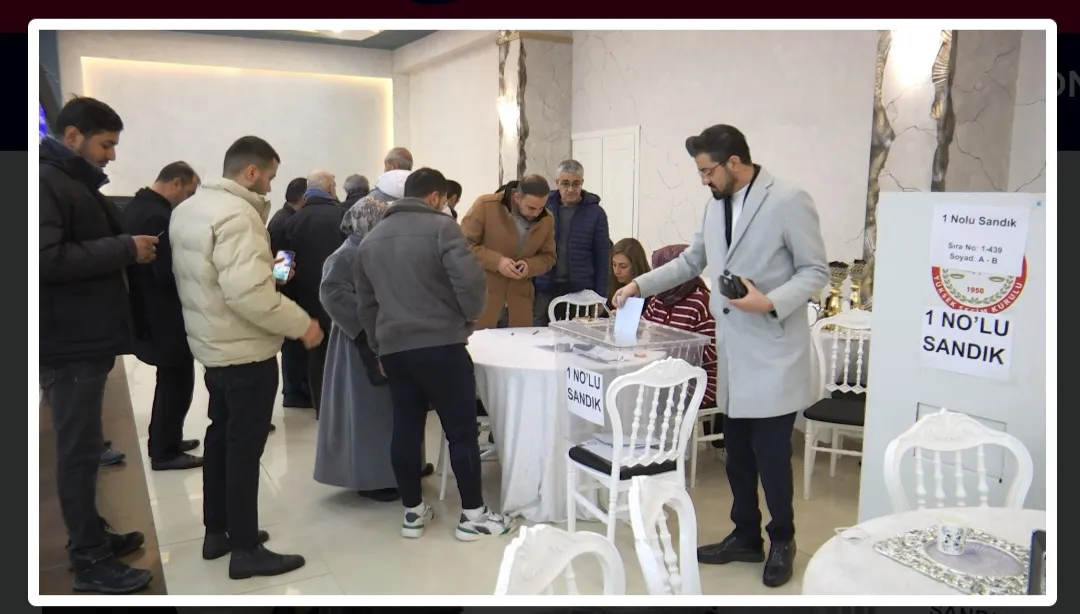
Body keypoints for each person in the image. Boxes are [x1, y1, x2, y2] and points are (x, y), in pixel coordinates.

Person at [613, 124, 828, 588]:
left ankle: (783, 539)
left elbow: (815, 271)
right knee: (737, 455)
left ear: (734, 162)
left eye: (708, 171)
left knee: (772, 457)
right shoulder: (715, 204)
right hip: (732, 352)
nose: (703, 180)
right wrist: (638, 285)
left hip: (772, 351)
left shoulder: (789, 200)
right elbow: (691, 261)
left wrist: (770, 302)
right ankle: (745, 535)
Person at [170, 135, 324, 579]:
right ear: (251, 171)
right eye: (270, 177)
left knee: (221, 438)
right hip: (244, 350)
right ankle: (245, 550)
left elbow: (216, 280)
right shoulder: (238, 215)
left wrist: (266, 273)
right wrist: (302, 324)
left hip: (214, 343)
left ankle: (217, 532)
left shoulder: (190, 209)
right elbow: (249, 296)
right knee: (243, 448)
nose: (271, 187)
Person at [355, 168, 516, 541]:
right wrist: (467, 317)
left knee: (406, 429)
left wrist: (379, 347)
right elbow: (470, 283)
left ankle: (412, 512)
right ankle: (473, 515)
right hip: (442, 345)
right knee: (461, 431)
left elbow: (366, 304)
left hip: (395, 349)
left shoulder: (371, 240)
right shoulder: (444, 229)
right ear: (434, 197)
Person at [39, 95, 155, 594]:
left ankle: (91, 533)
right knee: (78, 451)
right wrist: (125, 247)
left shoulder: (69, 181)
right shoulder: (46, 182)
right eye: (106, 145)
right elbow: (45, 259)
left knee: (87, 448)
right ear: (73, 136)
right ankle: (88, 558)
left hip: (83, 336)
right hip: (69, 341)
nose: (111, 156)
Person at [314, 194, 433, 502]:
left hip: (385, 336)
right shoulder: (346, 255)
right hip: (358, 343)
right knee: (369, 412)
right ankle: (374, 478)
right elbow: (331, 294)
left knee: (395, 409)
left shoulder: (372, 249)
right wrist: (372, 316)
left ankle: (403, 468)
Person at [122, 161, 204, 471]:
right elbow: (167, 271)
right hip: (163, 313)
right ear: (175, 183)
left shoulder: (137, 206)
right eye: (189, 192)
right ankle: (165, 451)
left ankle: (166, 439)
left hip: (149, 309)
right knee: (176, 380)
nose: (188, 199)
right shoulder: (157, 215)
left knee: (171, 379)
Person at [280, 170, 347, 419]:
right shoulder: (342, 216)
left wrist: (284, 294)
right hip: (338, 295)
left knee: (316, 353)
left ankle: (320, 406)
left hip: (305, 297)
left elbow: (282, 266)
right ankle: (342, 407)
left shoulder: (291, 221)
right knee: (341, 351)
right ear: (330, 189)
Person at [461, 175, 556, 329]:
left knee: (519, 344)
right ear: (517, 197)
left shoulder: (547, 219)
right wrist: (497, 262)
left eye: (541, 208)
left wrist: (529, 266)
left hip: (519, 304)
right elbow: (463, 246)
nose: (536, 213)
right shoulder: (485, 206)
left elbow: (548, 257)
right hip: (483, 299)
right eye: (531, 208)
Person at [641, 244, 719, 416]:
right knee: (634, 391)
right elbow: (642, 331)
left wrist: (669, 350)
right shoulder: (658, 299)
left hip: (695, 381)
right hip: (662, 374)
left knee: (648, 398)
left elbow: (710, 352)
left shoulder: (701, 301)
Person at [533, 159, 611, 325]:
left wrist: (601, 297)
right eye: (565, 183)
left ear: (582, 183)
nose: (570, 189)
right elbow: (532, 247)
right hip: (546, 285)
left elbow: (602, 257)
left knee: (578, 336)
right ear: (557, 183)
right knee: (538, 332)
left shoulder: (596, 213)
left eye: (576, 184)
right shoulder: (543, 208)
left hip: (580, 290)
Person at [268, 177, 311, 410]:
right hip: (288, 293)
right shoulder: (285, 223)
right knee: (293, 345)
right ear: (304, 198)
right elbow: (281, 269)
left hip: (288, 292)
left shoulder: (283, 218)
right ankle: (293, 393)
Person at [608, 238, 651, 310]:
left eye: (623, 266)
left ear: (636, 266)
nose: (616, 271)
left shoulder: (649, 290)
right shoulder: (611, 283)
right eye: (614, 264)